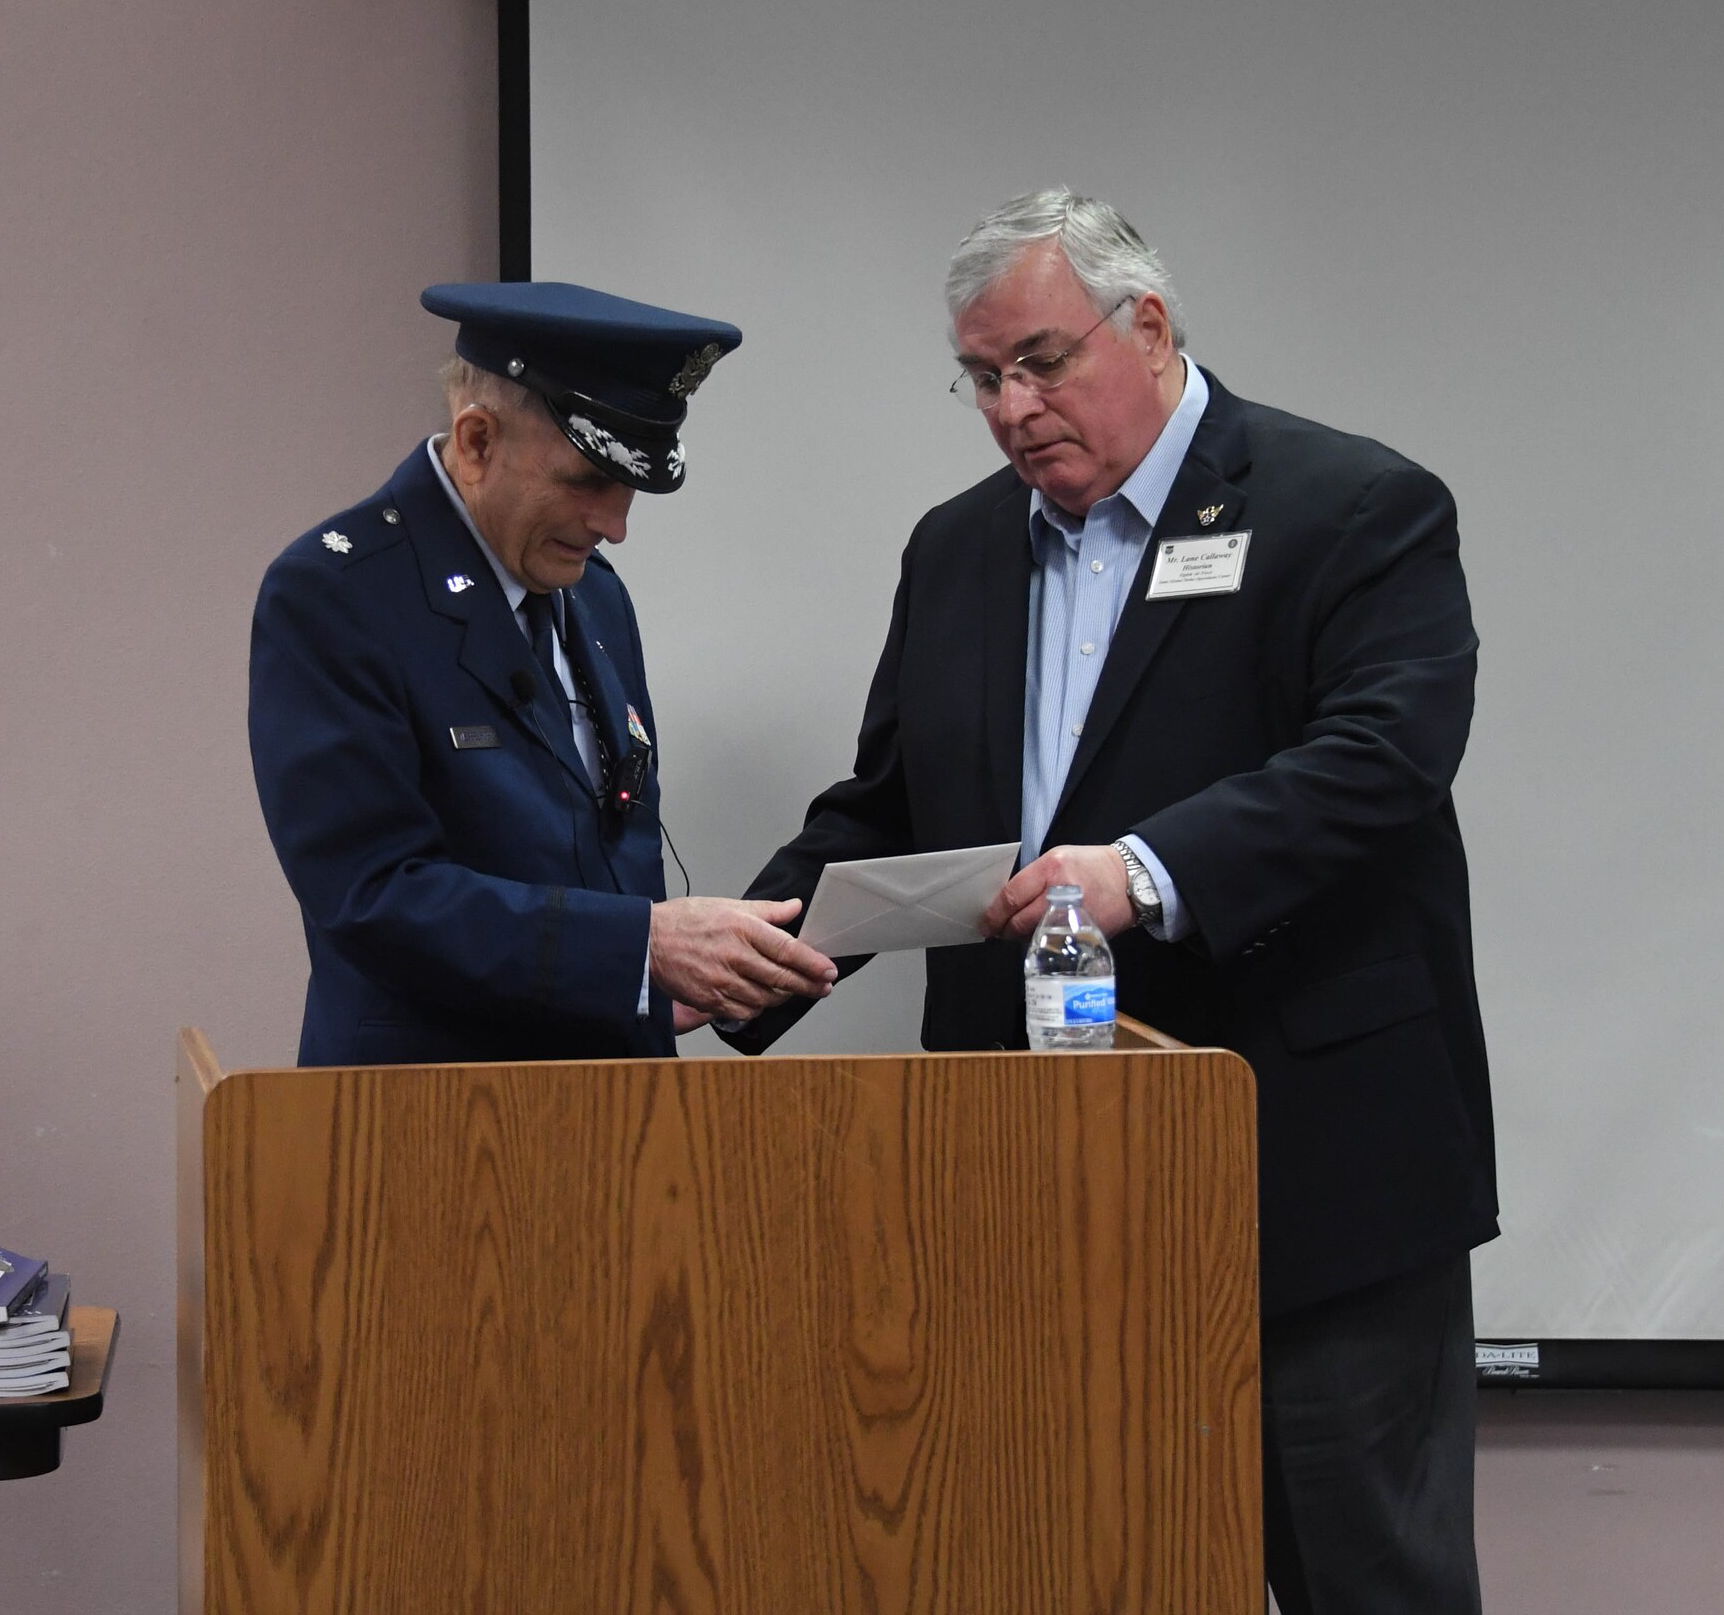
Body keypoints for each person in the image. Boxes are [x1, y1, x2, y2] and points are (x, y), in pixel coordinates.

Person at [724, 191, 1496, 1612]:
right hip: (1023, 1178)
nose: (1012, 407)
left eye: (1041, 360)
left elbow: (1381, 759)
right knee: (1060, 1560)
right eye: (981, 378)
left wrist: (1139, 874)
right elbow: (897, 802)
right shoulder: (957, 548)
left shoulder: (1352, 508)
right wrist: (754, 940)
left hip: (1305, 1164)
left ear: (1147, 325)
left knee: (1362, 1574)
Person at [250, 280, 836, 1068]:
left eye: (629, 488)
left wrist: (653, 979)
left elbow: (606, 847)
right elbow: (372, 894)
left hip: (614, 1116)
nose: (616, 526)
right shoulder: (335, 594)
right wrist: (640, 948)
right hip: (421, 1124)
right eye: (586, 482)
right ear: (476, 440)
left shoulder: (593, 594)